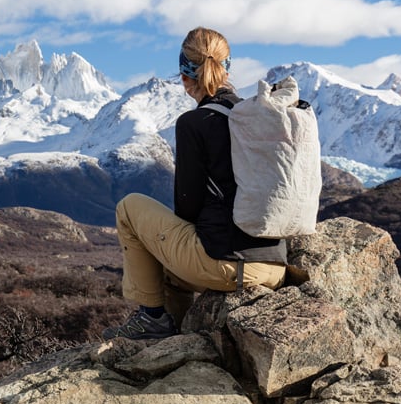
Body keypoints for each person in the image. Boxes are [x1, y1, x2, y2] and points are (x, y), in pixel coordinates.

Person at [103, 26, 287, 340]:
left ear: (185, 77)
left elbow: (187, 206)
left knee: (129, 207)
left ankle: (152, 321)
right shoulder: (254, 115)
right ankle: (176, 334)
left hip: (225, 267)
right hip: (274, 267)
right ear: (227, 67)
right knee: (173, 269)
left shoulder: (194, 123)